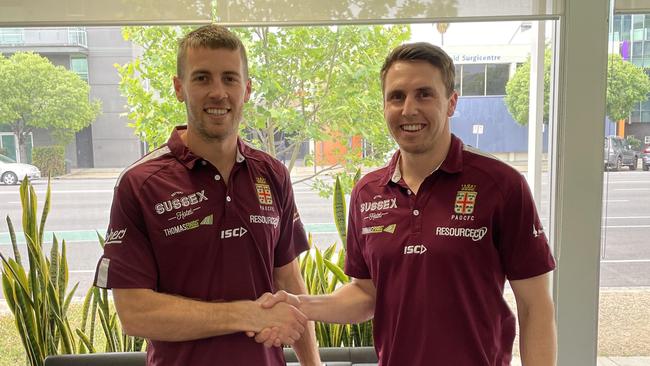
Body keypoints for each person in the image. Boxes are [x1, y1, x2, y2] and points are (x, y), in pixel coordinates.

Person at [254, 42, 557, 366]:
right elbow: (366, 295)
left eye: (424, 94)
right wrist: (301, 304)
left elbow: (534, 306)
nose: (408, 109)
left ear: (451, 102)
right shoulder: (366, 193)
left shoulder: (501, 184)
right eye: (396, 97)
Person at [93, 24, 320, 366]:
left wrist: (313, 364)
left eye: (230, 78)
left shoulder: (272, 174)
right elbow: (135, 313)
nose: (218, 92)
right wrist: (247, 315)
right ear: (178, 88)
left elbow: (288, 280)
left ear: (246, 89)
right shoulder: (140, 183)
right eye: (202, 78)